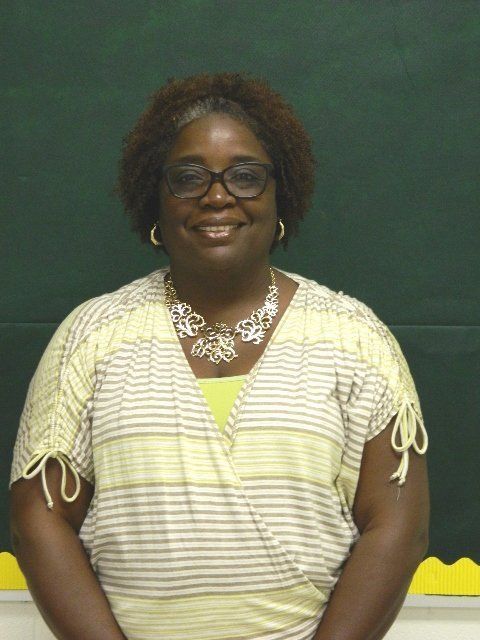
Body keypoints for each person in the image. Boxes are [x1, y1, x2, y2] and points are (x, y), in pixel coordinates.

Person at [9, 72, 429, 640]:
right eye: (188, 178)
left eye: (246, 177)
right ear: (153, 200)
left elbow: (397, 526)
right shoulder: (91, 336)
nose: (216, 195)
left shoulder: (354, 337)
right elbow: (41, 519)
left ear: (281, 195)